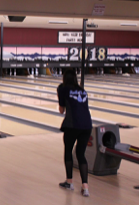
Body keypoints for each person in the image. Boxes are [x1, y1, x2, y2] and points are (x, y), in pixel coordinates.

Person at [57, 69, 92, 197]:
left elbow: (61, 110)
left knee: (68, 152)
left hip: (72, 125)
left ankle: (69, 182)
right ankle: (85, 187)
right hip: (87, 125)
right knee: (81, 154)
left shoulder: (62, 89)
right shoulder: (83, 91)